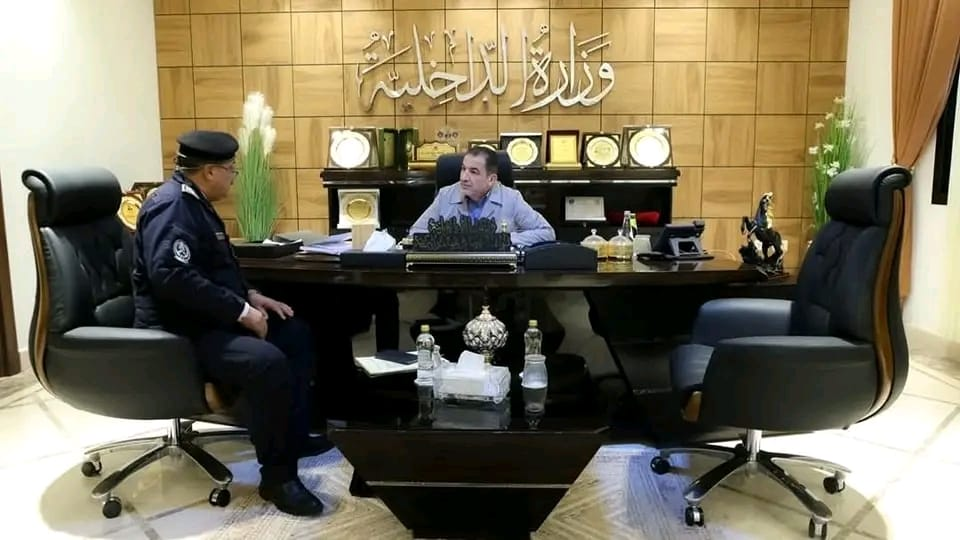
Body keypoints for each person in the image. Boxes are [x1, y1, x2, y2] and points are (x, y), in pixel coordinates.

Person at [131, 130, 332, 517]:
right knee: (266, 363)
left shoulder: (195, 201)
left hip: (207, 320)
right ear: (209, 171)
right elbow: (171, 276)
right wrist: (241, 312)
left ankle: (292, 438)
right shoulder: (171, 206)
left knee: (295, 333)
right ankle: (278, 478)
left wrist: (251, 297)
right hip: (178, 333)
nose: (234, 178)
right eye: (230, 170)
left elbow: (214, 269)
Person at [408, 146, 556, 247]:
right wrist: (449, 241)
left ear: (491, 179)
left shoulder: (511, 198)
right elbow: (415, 233)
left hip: (497, 274)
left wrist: (503, 239)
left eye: (473, 172)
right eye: (463, 169)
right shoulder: (445, 196)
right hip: (454, 271)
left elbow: (546, 233)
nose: (464, 178)